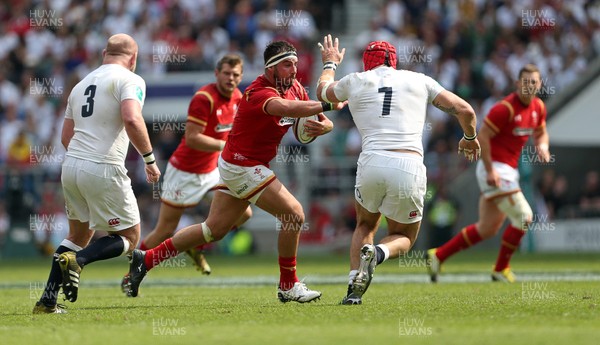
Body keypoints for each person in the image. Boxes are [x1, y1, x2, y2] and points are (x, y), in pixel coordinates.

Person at [125, 40, 344, 303]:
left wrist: (325, 126)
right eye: (287, 64)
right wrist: (330, 104)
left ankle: (146, 259)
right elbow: (288, 109)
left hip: (240, 165)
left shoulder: (295, 88)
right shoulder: (258, 93)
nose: (294, 70)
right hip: (243, 166)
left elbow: (303, 121)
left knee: (212, 231)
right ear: (270, 68)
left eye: (296, 64)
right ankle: (288, 284)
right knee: (294, 215)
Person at [315, 35, 480, 305]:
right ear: (395, 61)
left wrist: (330, 63)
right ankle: (378, 254)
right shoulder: (420, 80)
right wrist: (470, 139)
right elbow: (466, 110)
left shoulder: (356, 79)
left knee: (365, 224)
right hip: (409, 164)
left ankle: (352, 290)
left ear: (367, 64)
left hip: (371, 163)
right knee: (404, 236)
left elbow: (322, 93)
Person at [32, 34, 160, 314]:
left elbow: (66, 136)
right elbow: (131, 117)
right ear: (134, 58)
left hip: (72, 166)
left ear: (104, 53)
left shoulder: (80, 85)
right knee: (130, 237)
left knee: (77, 234)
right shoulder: (130, 79)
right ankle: (79, 261)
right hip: (102, 166)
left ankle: (47, 301)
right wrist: (149, 160)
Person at [120, 54, 252, 292]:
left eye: (235, 75)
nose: (231, 78)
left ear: (241, 77)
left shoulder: (238, 98)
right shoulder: (204, 98)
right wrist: (226, 147)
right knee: (165, 230)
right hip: (184, 172)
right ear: (216, 73)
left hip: (213, 171)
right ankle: (134, 272)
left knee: (244, 214)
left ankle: (194, 242)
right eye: (226, 73)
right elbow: (192, 138)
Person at [427, 64, 551, 283]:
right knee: (524, 217)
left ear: (539, 84)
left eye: (534, 82)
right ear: (517, 84)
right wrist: (491, 170)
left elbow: (541, 132)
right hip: (493, 168)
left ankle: (438, 256)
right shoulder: (505, 109)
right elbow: (482, 137)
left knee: (487, 228)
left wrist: (543, 146)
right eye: (525, 82)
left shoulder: (538, 107)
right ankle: (500, 269)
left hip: (508, 171)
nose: (530, 86)